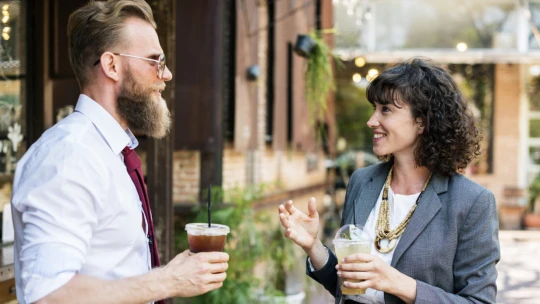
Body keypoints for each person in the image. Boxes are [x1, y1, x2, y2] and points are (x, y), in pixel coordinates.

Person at [10, 1, 229, 303]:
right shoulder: (69, 156)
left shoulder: (109, 151)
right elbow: (48, 295)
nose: (166, 75)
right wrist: (169, 280)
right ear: (112, 65)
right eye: (155, 61)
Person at [278, 58, 500, 304]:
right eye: (374, 108)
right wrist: (314, 247)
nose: (372, 121)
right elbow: (348, 288)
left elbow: (479, 301)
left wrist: (397, 283)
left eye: (386, 109)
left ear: (423, 121)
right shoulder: (362, 181)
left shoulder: (472, 202)